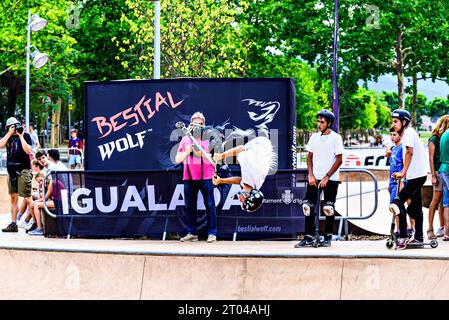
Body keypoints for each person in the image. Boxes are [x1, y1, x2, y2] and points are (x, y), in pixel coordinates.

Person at [294, 109, 343, 247]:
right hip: (314, 178)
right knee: (307, 206)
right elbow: (309, 157)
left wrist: (327, 176)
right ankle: (308, 237)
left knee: (328, 208)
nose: (318, 124)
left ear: (329, 123)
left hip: (331, 179)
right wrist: (310, 175)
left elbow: (339, 160)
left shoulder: (336, 138)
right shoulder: (314, 137)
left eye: (322, 122)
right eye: (318, 121)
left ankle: (327, 237)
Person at [175, 112, 218, 243]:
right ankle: (192, 233)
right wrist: (188, 151)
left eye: (200, 123)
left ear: (203, 124)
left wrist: (199, 153)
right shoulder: (185, 140)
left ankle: (212, 233)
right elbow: (177, 159)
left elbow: (213, 158)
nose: (197, 126)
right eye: (195, 123)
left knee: (210, 204)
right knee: (189, 205)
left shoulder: (209, 138)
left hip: (206, 175)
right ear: (190, 124)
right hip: (189, 177)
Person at [390, 109, 428, 249]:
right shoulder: (407, 133)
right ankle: (418, 238)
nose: (393, 124)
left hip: (416, 176)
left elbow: (409, 152)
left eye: (396, 121)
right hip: (416, 176)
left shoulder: (409, 132)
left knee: (397, 202)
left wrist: (402, 172)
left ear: (404, 122)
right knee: (416, 208)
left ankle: (404, 236)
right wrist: (403, 172)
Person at [212, 134, 277, 212]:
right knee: (226, 148)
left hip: (262, 151)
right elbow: (241, 149)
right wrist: (221, 156)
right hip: (258, 142)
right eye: (242, 201)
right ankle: (217, 145)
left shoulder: (253, 187)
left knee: (228, 160)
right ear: (247, 195)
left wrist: (221, 180)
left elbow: (241, 180)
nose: (240, 201)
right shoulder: (251, 168)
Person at [0, 117, 33, 232]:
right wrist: (9, 133)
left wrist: (20, 135)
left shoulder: (26, 135)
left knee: (27, 198)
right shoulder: (7, 136)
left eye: (16, 126)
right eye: (12, 127)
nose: (15, 128)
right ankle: (14, 224)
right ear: (8, 127)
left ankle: (35, 222)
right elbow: (0, 145)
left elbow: (28, 150)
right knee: (13, 198)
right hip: (11, 171)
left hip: (23, 170)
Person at [386, 126, 412, 238]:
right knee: (394, 207)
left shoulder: (402, 148)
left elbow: (404, 165)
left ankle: (411, 227)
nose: (392, 137)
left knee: (407, 204)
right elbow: (392, 166)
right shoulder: (393, 148)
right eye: (391, 134)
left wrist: (402, 181)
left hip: (400, 181)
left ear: (400, 135)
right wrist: (389, 183)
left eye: (395, 134)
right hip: (393, 181)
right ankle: (399, 229)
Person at [427, 115, 449, 239]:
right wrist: (433, 175)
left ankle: (442, 227)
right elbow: (430, 158)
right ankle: (430, 228)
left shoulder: (443, 137)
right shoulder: (434, 138)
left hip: (442, 170)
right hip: (437, 171)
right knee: (435, 200)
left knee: (443, 202)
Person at [438, 122, 449, 241]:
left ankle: (447, 233)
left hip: (442, 169)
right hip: (448, 169)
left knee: (447, 203)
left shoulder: (445, 134)